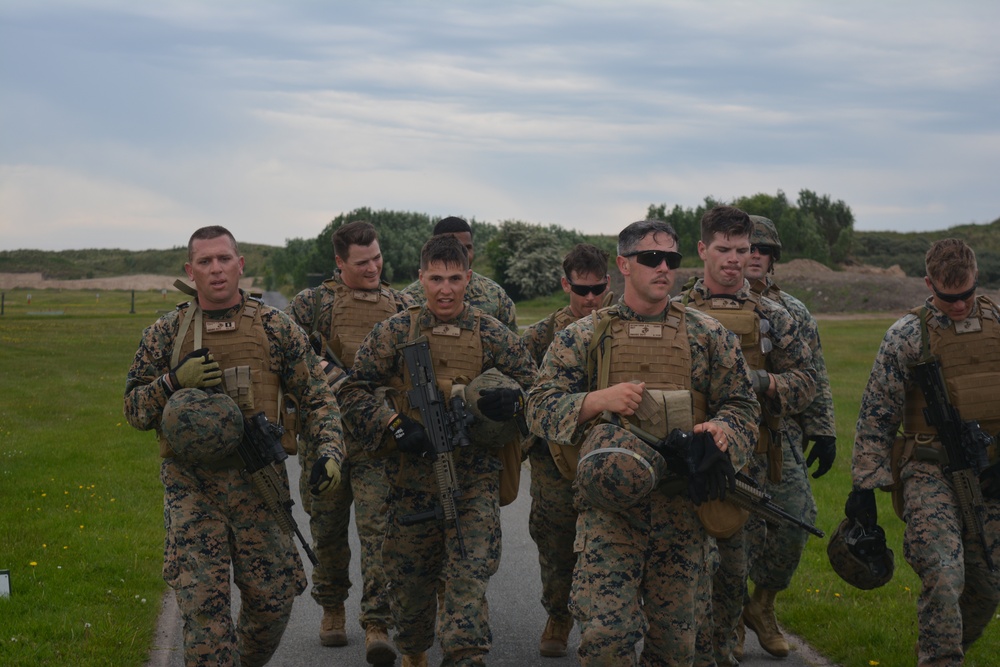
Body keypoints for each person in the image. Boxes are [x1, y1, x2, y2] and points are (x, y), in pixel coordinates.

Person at [527, 219, 760, 665]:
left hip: (682, 515)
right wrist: (597, 400)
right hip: (609, 516)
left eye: (670, 260)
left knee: (675, 650)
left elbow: (742, 406)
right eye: (650, 258)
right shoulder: (585, 336)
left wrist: (722, 432)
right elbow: (538, 405)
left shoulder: (708, 335)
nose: (663, 268)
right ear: (623, 265)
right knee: (605, 641)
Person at [124, 226, 345, 667]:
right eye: (204, 262)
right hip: (192, 488)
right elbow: (133, 409)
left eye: (224, 259)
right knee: (204, 612)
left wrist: (329, 452)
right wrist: (171, 381)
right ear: (190, 270)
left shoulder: (275, 327)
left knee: (273, 601)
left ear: (240, 264)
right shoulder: (167, 332)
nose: (216, 269)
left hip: (258, 484)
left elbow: (318, 398)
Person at [338, 235, 537, 666]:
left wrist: (515, 401)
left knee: (468, 585)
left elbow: (542, 393)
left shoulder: (492, 334)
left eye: (454, 278)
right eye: (435, 278)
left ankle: (465, 653)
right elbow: (352, 391)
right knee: (410, 606)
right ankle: (413, 651)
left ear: (469, 279)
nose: (445, 289)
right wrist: (392, 424)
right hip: (409, 482)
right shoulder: (394, 331)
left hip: (474, 482)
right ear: (420, 279)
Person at [848, 238, 1000, 666]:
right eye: (947, 296)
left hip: (988, 472)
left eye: (966, 294)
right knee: (943, 573)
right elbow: (877, 415)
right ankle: (939, 659)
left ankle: (938, 645)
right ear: (928, 282)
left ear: (977, 279)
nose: (957, 305)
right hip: (928, 470)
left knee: (988, 584)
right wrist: (864, 487)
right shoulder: (906, 335)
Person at [677, 205, 816, 667]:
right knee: (691, 562)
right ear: (703, 250)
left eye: (742, 250)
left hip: (755, 452)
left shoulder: (775, 315)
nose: (735, 259)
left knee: (736, 560)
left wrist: (763, 383)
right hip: (693, 458)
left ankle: (731, 634)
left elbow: (805, 382)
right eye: (724, 249)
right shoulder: (676, 312)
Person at [285, 220, 414, 665]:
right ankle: (332, 608)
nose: (373, 267)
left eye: (377, 257)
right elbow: (291, 355)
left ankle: (377, 622)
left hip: (379, 437)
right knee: (328, 527)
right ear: (339, 263)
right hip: (327, 437)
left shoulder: (401, 304)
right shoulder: (312, 304)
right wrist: (334, 377)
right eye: (362, 263)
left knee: (380, 532)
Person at [741, 215, 836, 658]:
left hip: (780, 437)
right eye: (748, 247)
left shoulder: (794, 311)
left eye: (764, 249)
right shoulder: (699, 304)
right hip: (722, 436)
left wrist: (823, 430)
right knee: (725, 531)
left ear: (773, 258)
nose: (755, 255)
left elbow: (814, 372)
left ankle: (762, 604)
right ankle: (723, 623)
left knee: (796, 523)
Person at [521, 242, 611, 658]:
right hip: (553, 460)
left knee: (607, 545)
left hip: (608, 459)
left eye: (599, 289)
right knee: (556, 544)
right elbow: (519, 388)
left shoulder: (620, 328)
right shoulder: (541, 335)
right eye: (581, 290)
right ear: (565, 285)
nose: (590, 299)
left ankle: (602, 627)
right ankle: (558, 614)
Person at [403, 216, 518, 332]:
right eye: (455, 248)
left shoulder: (495, 295)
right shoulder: (408, 299)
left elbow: (512, 343)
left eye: (467, 248)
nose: (464, 255)